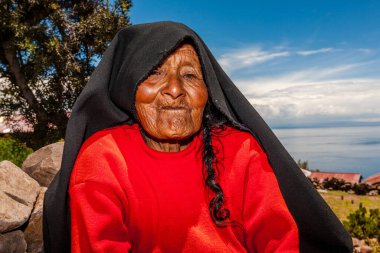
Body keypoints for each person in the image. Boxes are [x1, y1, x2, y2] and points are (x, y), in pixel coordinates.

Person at [43, 21, 353, 253]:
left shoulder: (241, 150)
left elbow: (278, 242)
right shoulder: (103, 159)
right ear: (128, 88)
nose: (175, 89)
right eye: (154, 73)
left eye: (190, 75)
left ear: (208, 92)